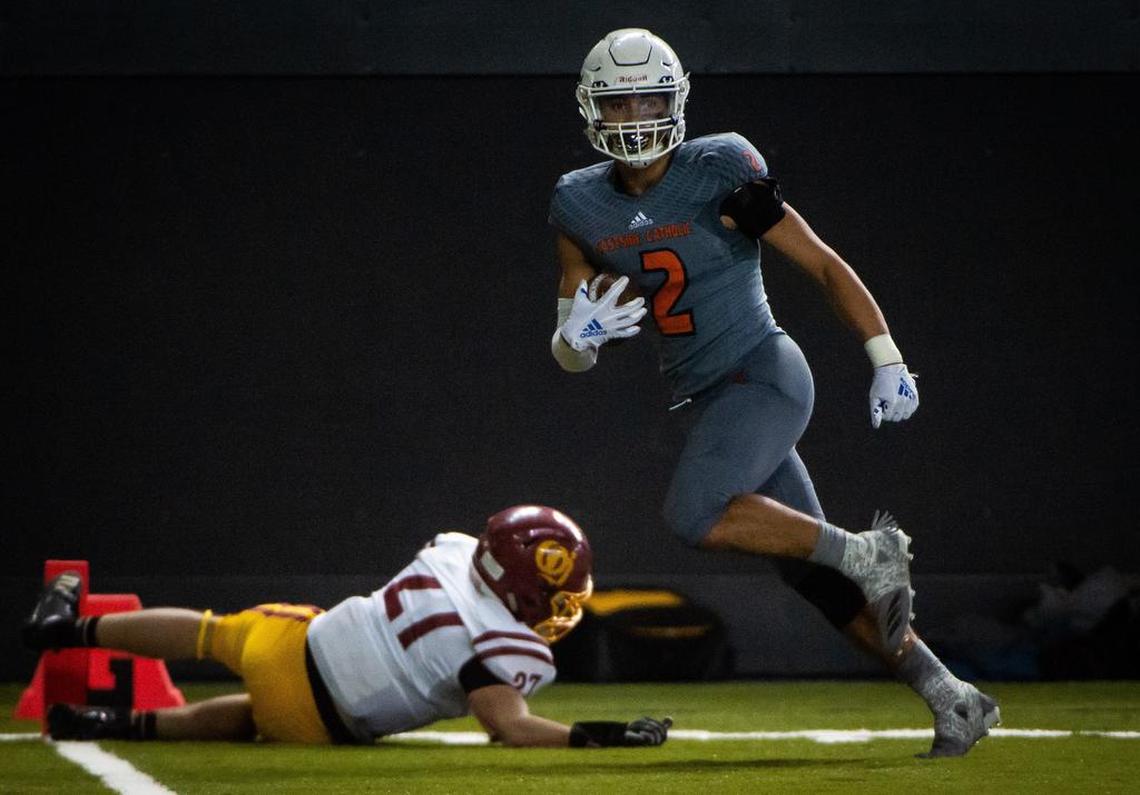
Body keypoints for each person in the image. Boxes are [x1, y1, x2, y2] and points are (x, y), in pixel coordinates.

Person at [548, 28, 999, 758]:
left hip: (763, 375)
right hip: (707, 399)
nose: (633, 116)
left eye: (648, 99)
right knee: (814, 580)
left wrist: (884, 356)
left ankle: (868, 549)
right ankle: (952, 696)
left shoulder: (720, 166)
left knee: (693, 512)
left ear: (677, 101)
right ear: (591, 108)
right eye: (618, 101)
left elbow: (821, 264)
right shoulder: (577, 204)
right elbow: (572, 353)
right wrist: (578, 337)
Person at [21, 504, 671, 748]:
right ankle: (106, 722)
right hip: (318, 729)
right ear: (518, 586)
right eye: (550, 595)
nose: (556, 610)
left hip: (291, 649)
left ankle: (69, 627)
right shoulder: (502, 647)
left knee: (210, 632)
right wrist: (598, 736)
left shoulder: (451, 549)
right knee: (256, 715)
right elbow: (510, 727)